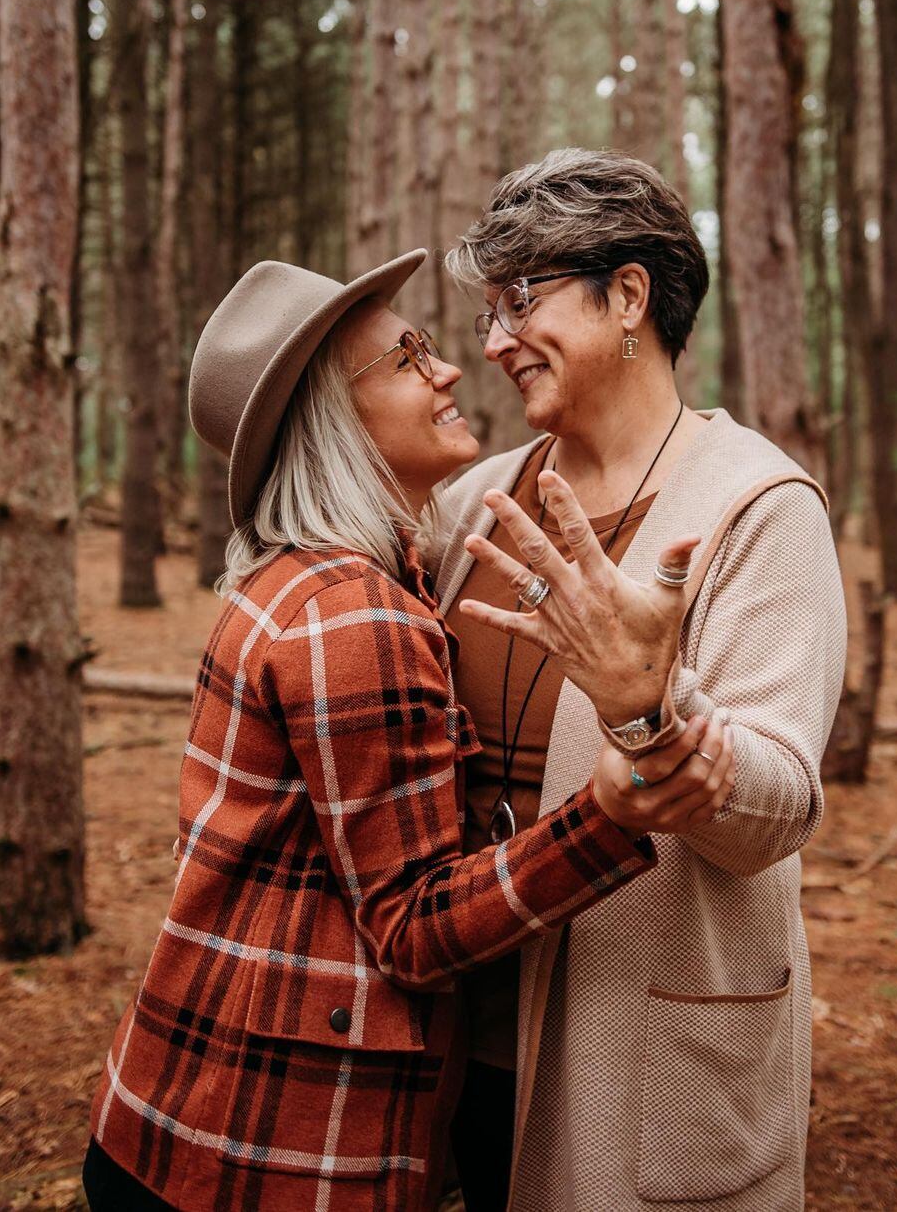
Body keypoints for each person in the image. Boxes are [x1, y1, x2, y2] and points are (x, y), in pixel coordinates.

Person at [82, 250, 734, 1212]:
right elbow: (415, 929)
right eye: (408, 358)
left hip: (178, 1108)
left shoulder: (296, 579)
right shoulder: (357, 615)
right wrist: (607, 811)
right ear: (337, 424)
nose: (449, 370)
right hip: (264, 1151)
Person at [434, 149, 848, 1211]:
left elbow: (775, 810)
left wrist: (649, 708)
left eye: (520, 300)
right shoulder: (476, 501)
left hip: (643, 1057)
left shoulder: (760, 506)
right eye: (485, 312)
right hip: (456, 1052)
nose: (492, 343)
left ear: (629, 295)